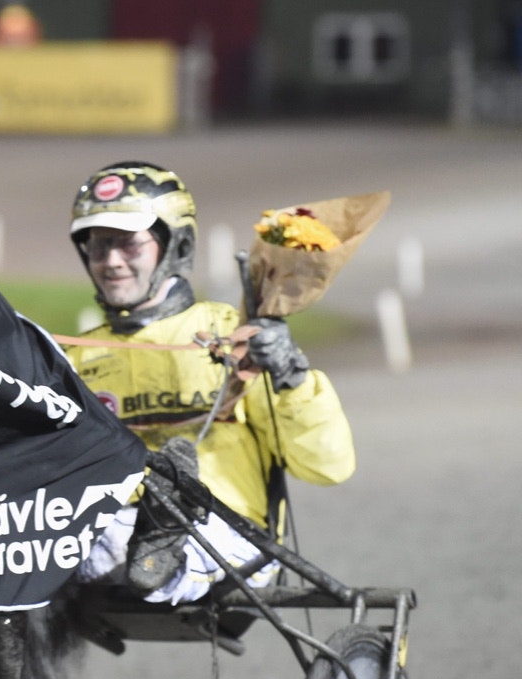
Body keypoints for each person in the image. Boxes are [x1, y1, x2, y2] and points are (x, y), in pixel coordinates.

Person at [62, 161, 355, 605]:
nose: (112, 261)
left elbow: (328, 466)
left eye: (128, 243)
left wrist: (291, 375)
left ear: (176, 244)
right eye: (100, 246)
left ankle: (166, 527)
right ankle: (156, 528)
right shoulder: (73, 360)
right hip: (117, 530)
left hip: (231, 533)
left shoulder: (236, 335)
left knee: (166, 537)